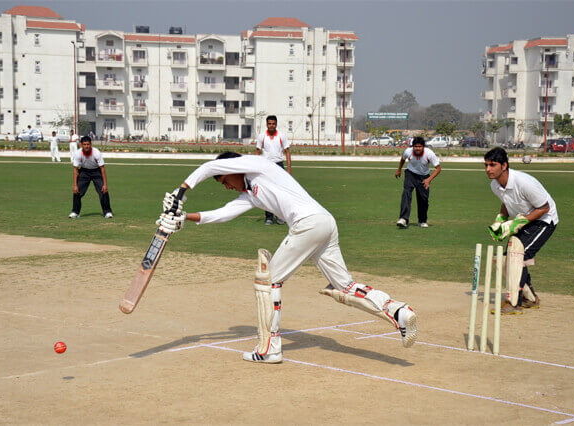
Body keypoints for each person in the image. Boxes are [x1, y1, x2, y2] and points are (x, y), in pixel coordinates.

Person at [156, 152, 418, 364]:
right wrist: (183, 218)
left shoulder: (257, 164)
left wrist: (181, 191)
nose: (226, 186)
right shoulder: (251, 193)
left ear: (233, 167)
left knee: (268, 282)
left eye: (225, 180)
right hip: (324, 222)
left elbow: (207, 167)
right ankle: (399, 311)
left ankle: (269, 348)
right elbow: (224, 213)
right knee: (344, 287)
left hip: (308, 224)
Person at [484, 147, 558, 314]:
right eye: (486, 165)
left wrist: (517, 223)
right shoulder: (494, 185)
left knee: (517, 254)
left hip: (544, 220)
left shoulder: (524, 182)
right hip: (524, 219)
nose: (488, 169)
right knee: (504, 261)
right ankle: (530, 298)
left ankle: (513, 301)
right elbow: (506, 202)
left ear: (504, 166)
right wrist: (500, 220)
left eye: (492, 165)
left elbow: (544, 208)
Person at [394, 136, 441, 228]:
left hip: (424, 177)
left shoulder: (429, 154)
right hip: (410, 174)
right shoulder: (408, 151)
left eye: (420, 147)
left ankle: (422, 220)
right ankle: (403, 219)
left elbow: (438, 169)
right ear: (413, 147)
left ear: (423, 147)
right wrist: (399, 170)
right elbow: (403, 159)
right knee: (406, 194)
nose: (417, 148)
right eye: (416, 146)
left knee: (423, 199)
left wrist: (428, 180)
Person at [256, 115, 291, 225]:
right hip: (266, 166)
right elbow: (257, 152)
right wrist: (256, 167)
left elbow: (287, 152)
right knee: (267, 192)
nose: (272, 126)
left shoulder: (281, 136)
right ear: (266, 124)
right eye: (270, 124)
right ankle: (269, 217)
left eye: (273, 124)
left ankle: (280, 216)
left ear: (276, 124)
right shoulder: (262, 136)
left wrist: (289, 169)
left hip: (279, 165)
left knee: (280, 193)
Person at [69, 136, 113, 219]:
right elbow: (75, 170)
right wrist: (75, 185)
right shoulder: (78, 154)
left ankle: (107, 212)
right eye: (84, 144)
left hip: (96, 171)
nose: (86, 146)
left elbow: (102, 169)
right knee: (76, 192)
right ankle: (75, 212)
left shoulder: (96, 153)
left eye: (88, 144)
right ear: (81, 145)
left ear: (91, 144)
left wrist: (105, 185)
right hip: (84, 172)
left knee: (103, 191)